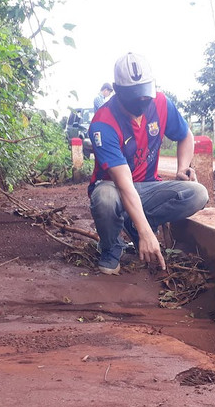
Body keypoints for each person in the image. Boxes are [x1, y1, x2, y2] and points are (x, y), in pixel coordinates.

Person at [87, 52, 208, 275]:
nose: (142, 101)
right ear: (117, 89)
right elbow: (124, 184)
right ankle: (111, 246)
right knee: (104, 198)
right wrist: (146, 233)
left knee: (198, 193)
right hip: (115, 187)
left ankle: (134, 223)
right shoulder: (103, 124)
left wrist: (182, 168)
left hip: (148, 186)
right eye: (134, 96)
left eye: (145, 94)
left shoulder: (161, 103)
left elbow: (185, 136)